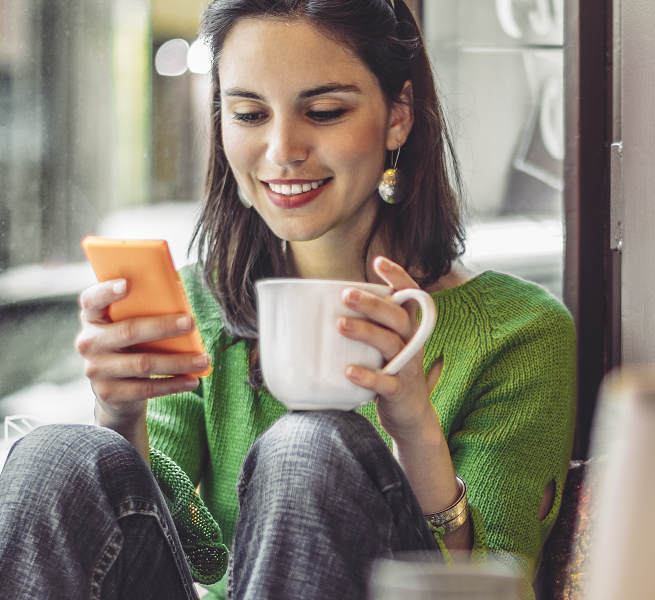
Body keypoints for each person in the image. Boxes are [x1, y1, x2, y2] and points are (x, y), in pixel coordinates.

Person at [0, 1, 576, 598]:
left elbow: (489, 585)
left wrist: (415, 433)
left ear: (398, 115)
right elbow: (193, 548)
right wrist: (121, 416)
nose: (281, 149)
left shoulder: (519, 333)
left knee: (310, 447)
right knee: (57, 453)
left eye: (324, 112)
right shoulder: (200, 300)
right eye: (249, 114)